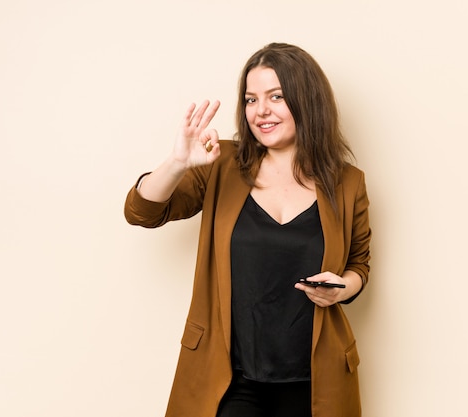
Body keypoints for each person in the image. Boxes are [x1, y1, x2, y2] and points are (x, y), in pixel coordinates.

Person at [124, 42, 371, 417]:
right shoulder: (220, 163)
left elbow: (359, 266)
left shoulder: (347, 183)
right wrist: (177, 162)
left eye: (276, 96)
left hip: (314, 377)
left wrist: (342, 288)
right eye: (251, 99)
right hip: (229, 376)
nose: (261, 111)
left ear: (307, 101)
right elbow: (141, 211)